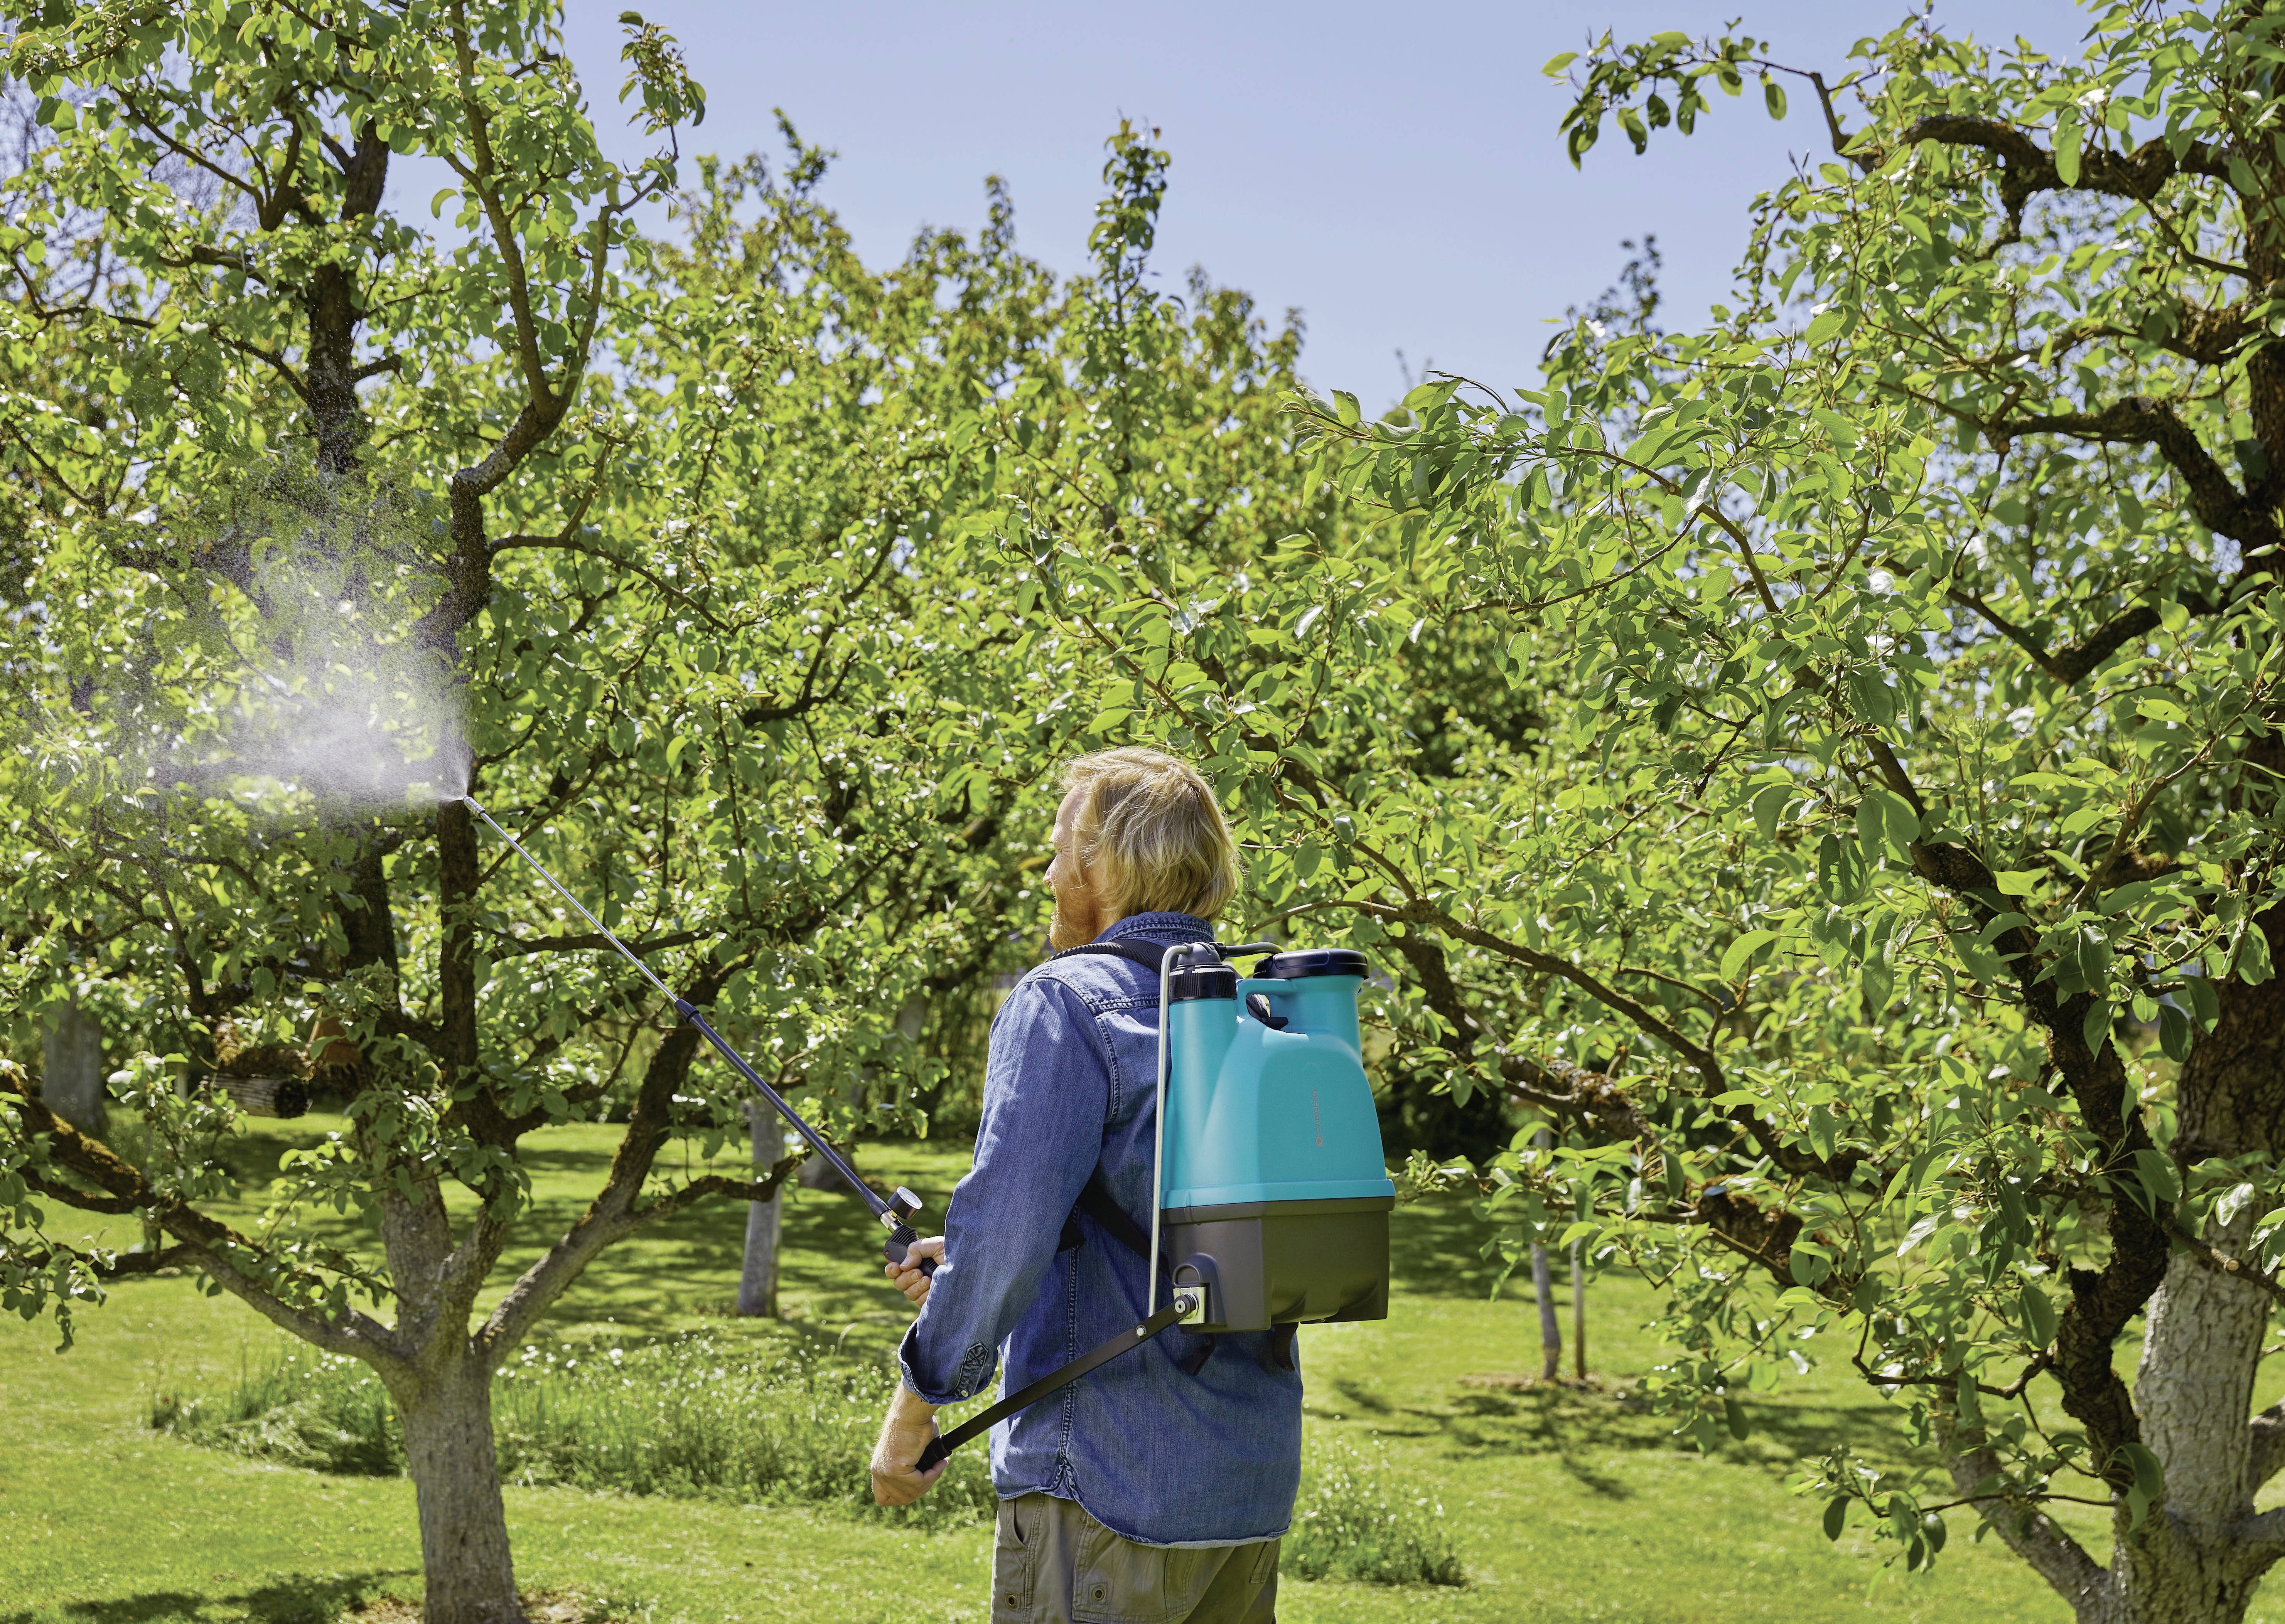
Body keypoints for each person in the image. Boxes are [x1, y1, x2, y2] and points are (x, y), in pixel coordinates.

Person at [869, 748, 1293, 1624]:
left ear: (1105, 863)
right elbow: (1182, 1229)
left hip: (1103, 1484)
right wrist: (993, 1256)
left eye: (1061, 849)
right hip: (1242, 1494)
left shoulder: (1065, 1002)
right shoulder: (1253, 1014)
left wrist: (913, 1415)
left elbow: (1004, 1240)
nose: (1050, 874)